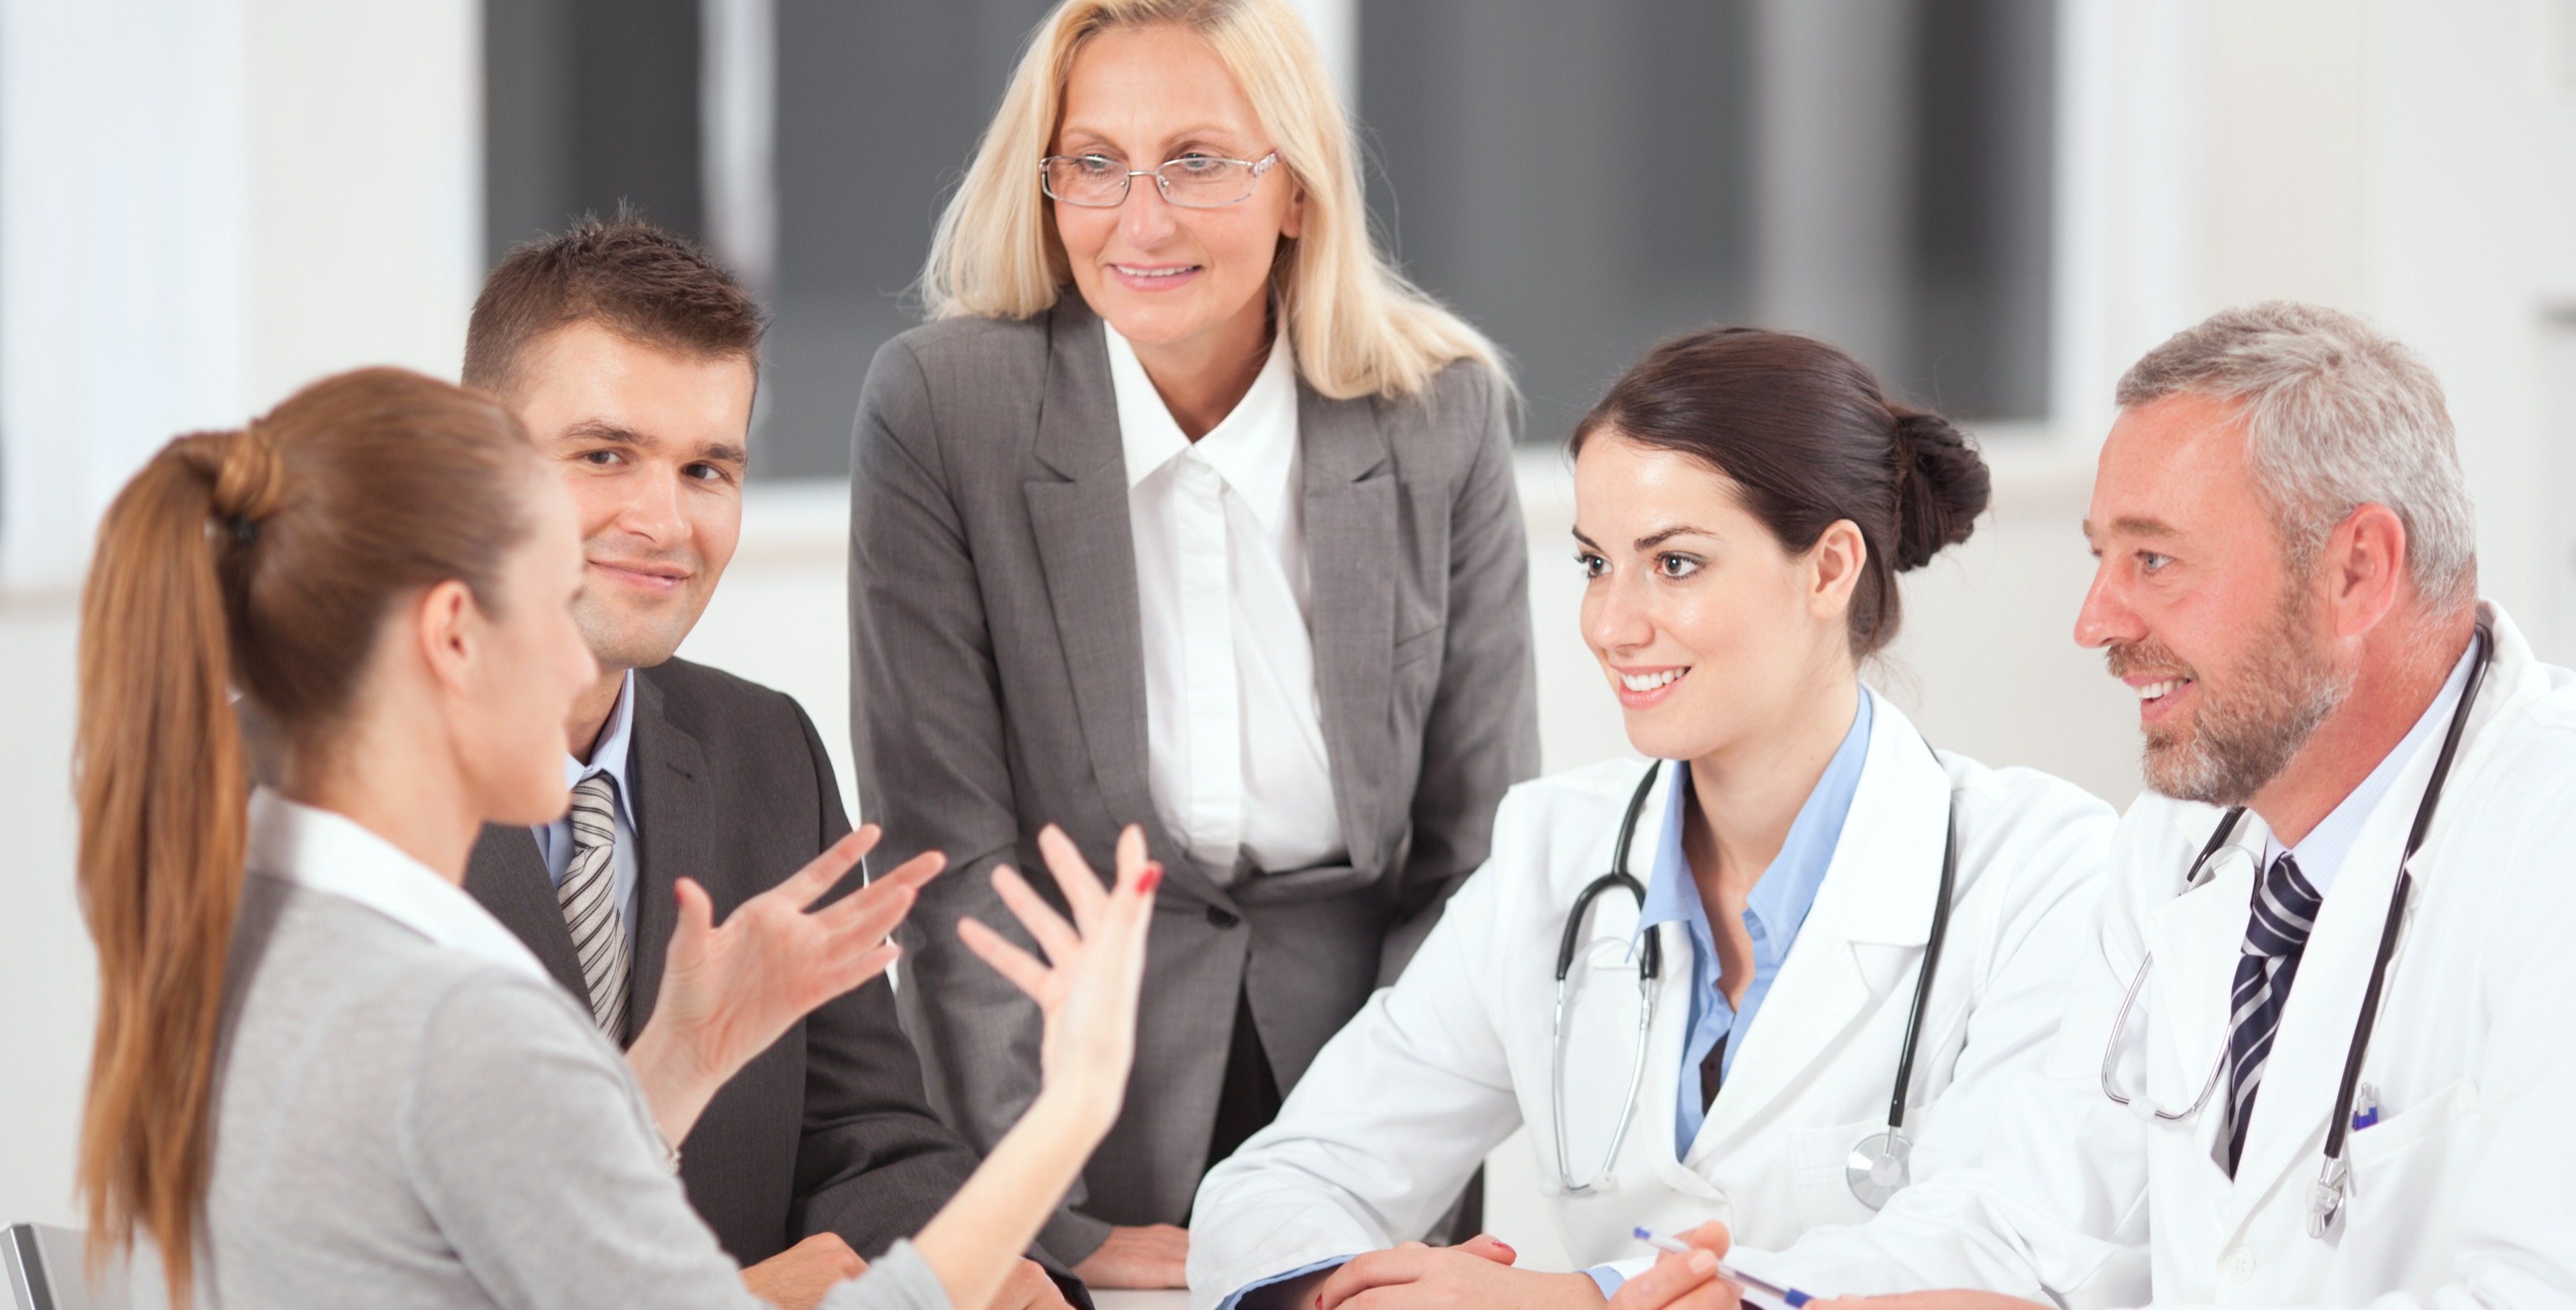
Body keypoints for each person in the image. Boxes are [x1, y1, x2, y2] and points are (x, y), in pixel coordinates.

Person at [1606, 303, 2576, 1309]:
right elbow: (2032, 1219)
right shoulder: (2184, 839)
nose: (2096, 620)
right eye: (2101, 557)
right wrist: (1747, 1298)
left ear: (2357, 569)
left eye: (2152, 559)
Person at [72, 367, 1158, 1310]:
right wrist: (1072, 1106)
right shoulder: (452, 1018)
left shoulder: (246, 913)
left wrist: (676, 1065)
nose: (581, 666)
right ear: (454, 635)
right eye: (556, 606)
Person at [1185, 329, 2119, 1309]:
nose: (1610, 623)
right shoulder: (1553, 856)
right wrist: (1363, 1296)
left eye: (1674, 563)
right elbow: (1279, 1184)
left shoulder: (2038, 867)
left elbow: (2003, 1246)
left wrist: (1585, 1298)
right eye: (1596, 561)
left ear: (1830, 568)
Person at [851, 0, 1534, 1288]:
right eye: (1095, 162)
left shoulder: (1437, 414)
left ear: (1296, 191)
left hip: (1375, 1090)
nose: (1140, 218)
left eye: (1199, 160)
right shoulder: (946, 410)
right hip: (1066, 1102)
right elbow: (951, 862)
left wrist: (1357, 1185)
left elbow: (1474, 860)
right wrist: (1047, 1218)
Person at [451, 217, 1081, 1310]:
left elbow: (864, 1140)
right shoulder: (319, 780)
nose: (662, 520)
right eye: (605, 454)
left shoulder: (764, 749)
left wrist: (982, 1269)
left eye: (707, 468)